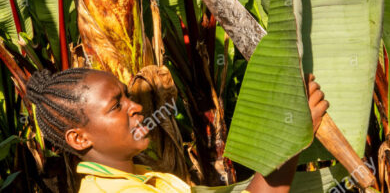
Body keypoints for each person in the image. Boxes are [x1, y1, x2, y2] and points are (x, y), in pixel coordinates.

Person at [26, 68, 328, 193]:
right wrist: (291, 141)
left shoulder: (137, 179)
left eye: (127, 95)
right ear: (79, 138)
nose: (136, 107)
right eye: (116, 105)